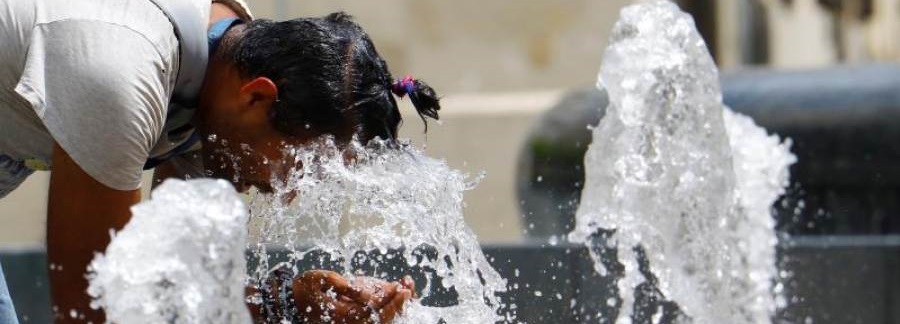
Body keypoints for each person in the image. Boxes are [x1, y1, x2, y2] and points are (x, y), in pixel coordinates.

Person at [0, 0, 440, 323]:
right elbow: (90, 308)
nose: (284, 194)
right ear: (257, 97)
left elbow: (176, 298)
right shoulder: (122, 74)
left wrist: (292, 302)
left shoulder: (223, 66)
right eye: (295, 169)